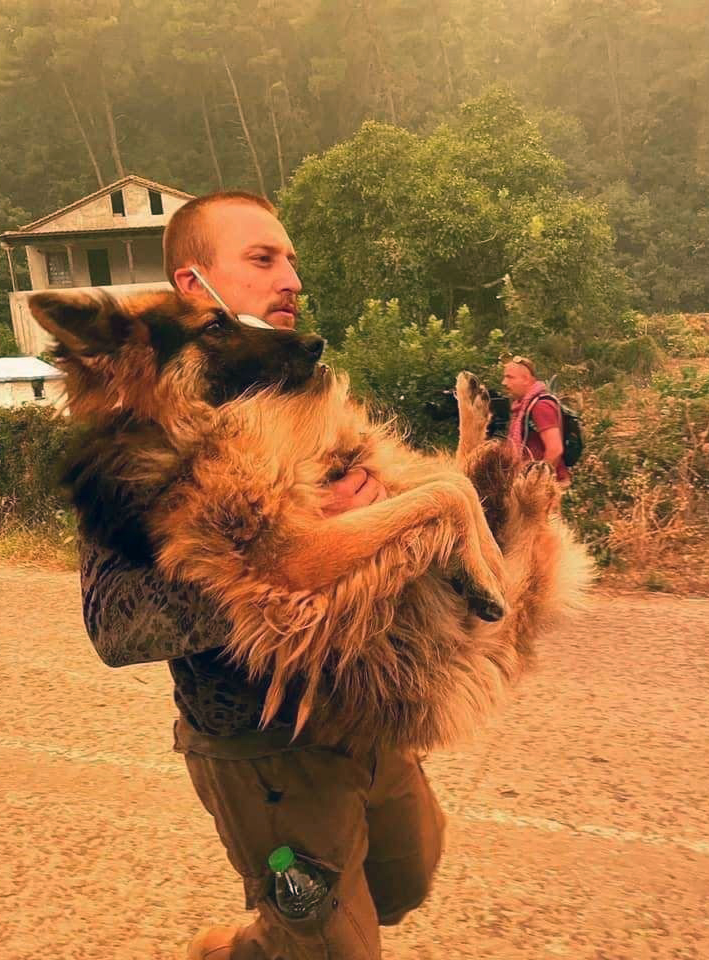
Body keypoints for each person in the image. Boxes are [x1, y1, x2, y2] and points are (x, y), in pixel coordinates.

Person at [77, 190, 446, 960]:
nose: (292, 279)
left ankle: (252, 945)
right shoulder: (137, 423)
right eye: (263, 259)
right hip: (261, 746)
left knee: (408, 881)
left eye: (292, 260)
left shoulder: (292, 383)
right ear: (192, 283)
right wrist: (287, 554)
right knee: (334, 946)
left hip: (364, 705)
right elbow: (112, 622)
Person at [501, 356, 571, 489]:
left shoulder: (541, 406)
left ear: (526, 379)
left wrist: (536, 483)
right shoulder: (521, 407)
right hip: (527, 482)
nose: (504, 382)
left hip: (544, 487)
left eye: (510, 377)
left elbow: (555, 449)